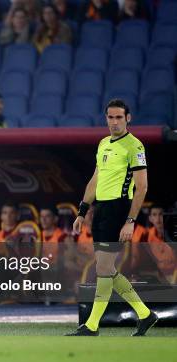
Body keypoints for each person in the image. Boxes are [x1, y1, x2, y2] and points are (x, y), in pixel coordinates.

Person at [67, 99, 158, 336]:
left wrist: (130, 221)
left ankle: (92, 325)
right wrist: (82, 211)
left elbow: (142, 187)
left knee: (103, 269)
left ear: (128, 118)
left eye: (119, 117)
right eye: (110, 117)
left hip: (119, 209)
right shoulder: (103, 143)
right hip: (101, 210)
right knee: (106, 269)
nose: (114, 122)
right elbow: (95, 180)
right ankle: (146, 314)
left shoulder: (134, 147)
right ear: (105, 118)